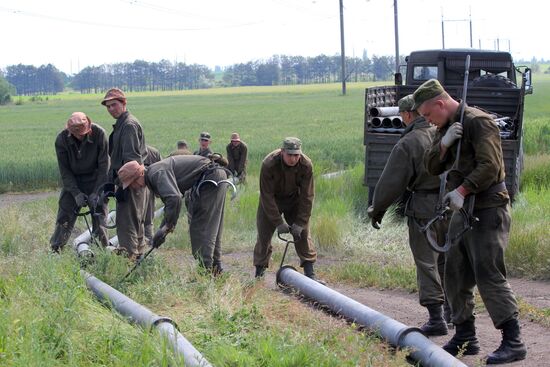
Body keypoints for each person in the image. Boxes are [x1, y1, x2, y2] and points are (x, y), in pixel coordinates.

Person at [415, 79, 526, 364]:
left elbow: (490, 166)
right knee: (455, 273)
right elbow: (431, 166)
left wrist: (462, 190)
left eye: (428, 114)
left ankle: (513, 341)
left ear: (440, 104)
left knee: (488, 273)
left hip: (488, 208)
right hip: (462, 211)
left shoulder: (479, 123)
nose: (428, 120)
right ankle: (465, 336)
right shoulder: (445, 127)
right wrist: (443, 144)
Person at [367, 95, 449, 337]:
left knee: (426, 262)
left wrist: (377, 209)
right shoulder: (443, 133)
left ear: (407, 115)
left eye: (402, 116)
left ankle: (436, 319)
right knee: (448, 260)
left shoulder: (409, 142)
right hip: (452, 204)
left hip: (425, 207)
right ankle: (453, 314)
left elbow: (391, 182)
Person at [117, 154, 229, 274]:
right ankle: (216, 270)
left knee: (201, 228)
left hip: (210, 178)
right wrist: (165, 227)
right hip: (214, 176)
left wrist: (166, 227)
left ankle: (206, 273)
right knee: (212, 226)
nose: (133, 188)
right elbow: (172, 200)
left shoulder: (155, 174)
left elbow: (174, 198)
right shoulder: (154, 173)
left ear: (139, 175)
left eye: (131, 184)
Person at [253, 137, 320, 282]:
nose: (293, 158)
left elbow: (307, 196)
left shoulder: (306, 165)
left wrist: (301, 222)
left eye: (296, 155)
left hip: (294, 199)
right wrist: (278, 222)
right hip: (272, 201)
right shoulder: (269, 164)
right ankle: (259, 274)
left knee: (303, 233)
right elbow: (267, 196)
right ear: (282, 151)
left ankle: (310, 274)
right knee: (263, 236)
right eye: (290, 155)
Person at [50, 112, 109, 252]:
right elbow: (65, 172)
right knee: (64, 216)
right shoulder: (61, 139)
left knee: (99, 215)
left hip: (96, 179)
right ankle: (56, 250)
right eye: (77, 133)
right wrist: (76, 193)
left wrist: (97, 192)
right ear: (70, 131)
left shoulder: (100, 134)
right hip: (73, 181)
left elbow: (104, 167)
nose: (80, 135)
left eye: (83, 132)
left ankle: (102, 250)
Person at [101, 88, 148, 261]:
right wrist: (111, 182)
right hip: (128, 182)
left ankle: (130, 262)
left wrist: (122, 186)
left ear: (124, 103)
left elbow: (132, 163)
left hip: (132, 183)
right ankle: (138, 259)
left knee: (127, 224)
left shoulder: (128, 125)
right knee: (135, 223)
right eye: (108, 106)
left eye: (114, 104)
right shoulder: (122, 124)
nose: (111, 109)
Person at [143, 145, 162, 246]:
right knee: (148, 219)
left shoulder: (132, 149)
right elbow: (161, 172)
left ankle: (141, 243)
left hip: (135, 189)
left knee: (137, 219)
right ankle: (150, 243)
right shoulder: (154, 152)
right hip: (150, 188)